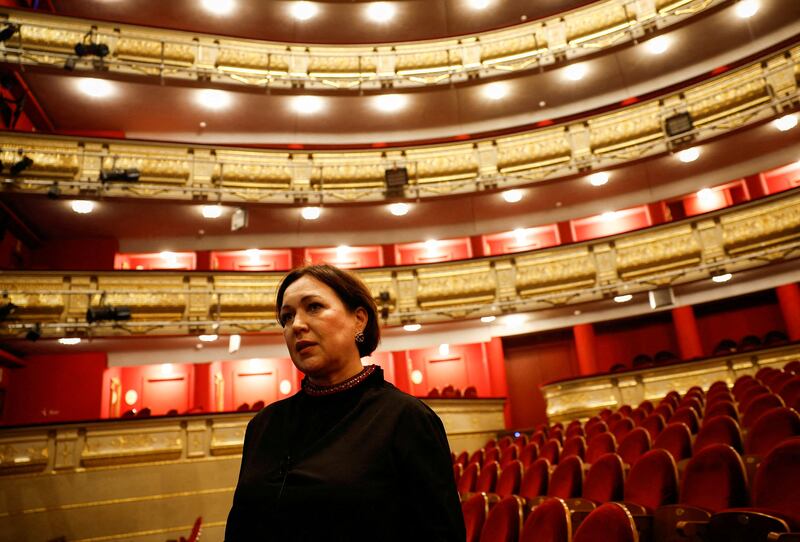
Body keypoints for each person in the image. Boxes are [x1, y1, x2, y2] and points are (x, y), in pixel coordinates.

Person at [225, 264, 466, 541]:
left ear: (359, 320)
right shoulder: (264, 425)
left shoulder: (405, 418)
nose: (297, 325)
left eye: (314, 307)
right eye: (287, 317)